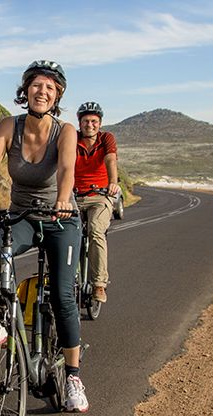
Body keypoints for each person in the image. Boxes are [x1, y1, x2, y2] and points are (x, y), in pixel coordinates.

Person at [0, 60, 89, 413]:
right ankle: (2, 315)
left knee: (62, 296)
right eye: (36, 85)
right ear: (25, 90)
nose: (41, 91)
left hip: (61, 219)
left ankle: (73, 376)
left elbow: (67, 170)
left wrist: (62, 199)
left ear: (57, 94)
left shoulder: (66, 131)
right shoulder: (8, 127)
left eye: (49, 87)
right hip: (23, 215)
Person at [73, 101, 119, 303]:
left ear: (99, 123)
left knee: (95, 229)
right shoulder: (72, 139)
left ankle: (99, 284)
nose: (89, 125)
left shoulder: (106, 139)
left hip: (100, 196)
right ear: (79, 122)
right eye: (85, 121)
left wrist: (113, 183)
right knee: (62, 232)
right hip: (73, 196)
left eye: (94, 121)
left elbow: (110, 159)